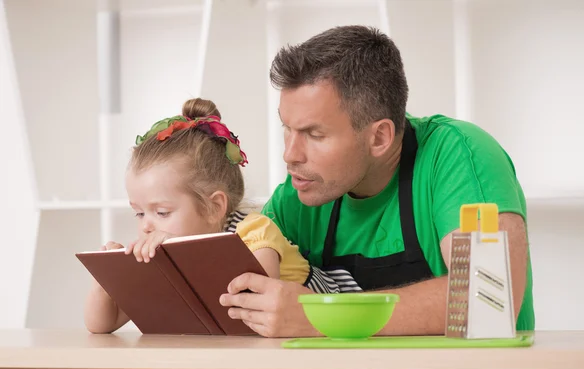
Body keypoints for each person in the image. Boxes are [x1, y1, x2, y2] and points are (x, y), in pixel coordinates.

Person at [219, 25, 535, 338]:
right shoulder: (298, 195)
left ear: (379, 137)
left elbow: (490, 300)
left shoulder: (458, 155)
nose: (290, 155)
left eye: (315, 135)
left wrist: (320, 316)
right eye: (287, 128)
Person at [84, 98, 316, 334]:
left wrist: (183, 256)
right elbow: (101, 325)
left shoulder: (254, 231)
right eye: (139, 213)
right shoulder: (157, 256)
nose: (146, 226)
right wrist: (108, 281)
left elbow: (256, 302)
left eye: (162, 212)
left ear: (214, 207)